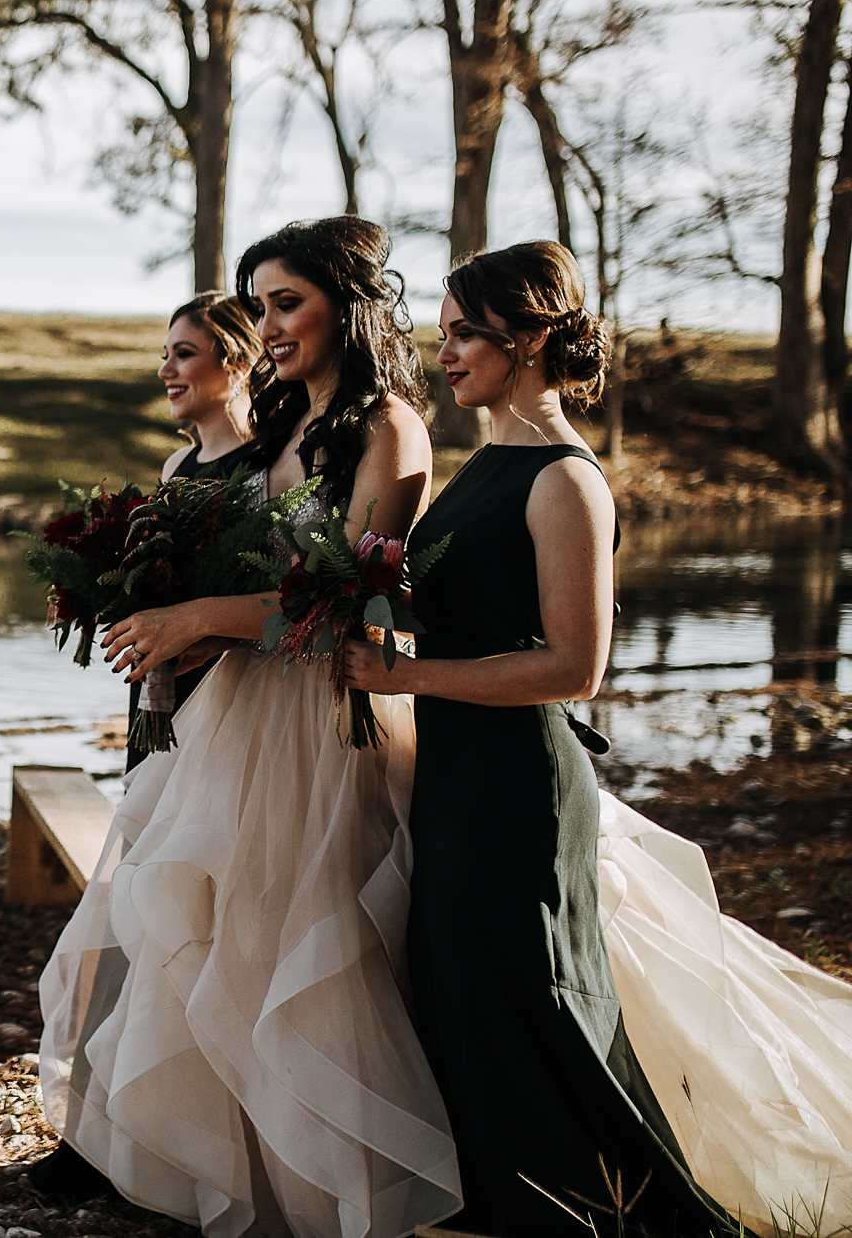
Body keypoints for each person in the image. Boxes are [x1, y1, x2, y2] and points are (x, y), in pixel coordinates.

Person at [343, 242, 852, 1235]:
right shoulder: (489, 460)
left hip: (517, 784)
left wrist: (406, 676)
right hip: (452, 768)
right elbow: (474, 612)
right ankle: (505, 1198)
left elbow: (572, 668)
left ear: (526, 341)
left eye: (461, 334)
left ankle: (602, 1206)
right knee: (459, 984)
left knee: (528, 993)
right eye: (439, 333)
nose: (440, 353)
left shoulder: (566, 483)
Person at [35, 217, 460, 1237]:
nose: (267, 325)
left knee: (311, 933)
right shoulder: (281, 428)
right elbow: (250, 579)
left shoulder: (386, 429)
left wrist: (200, 618)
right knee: (221, 928)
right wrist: (162, 613)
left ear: (341, 307)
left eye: (285, 303)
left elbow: (361, 608)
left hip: (324, 722)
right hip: (239, 710)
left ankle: (329, 1178)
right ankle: (227, 1156)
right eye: (258, 304)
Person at [125, 291, 270, 772]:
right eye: (165, 356)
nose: (165, 371)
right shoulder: (177, 465)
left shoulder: (267, 468)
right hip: (163, 676)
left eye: (184, 355)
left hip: (229, 684)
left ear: (239, 361)